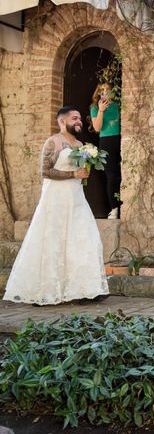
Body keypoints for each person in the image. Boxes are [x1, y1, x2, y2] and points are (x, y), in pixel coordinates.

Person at [3, 106, 109, 305]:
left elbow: (78, 171)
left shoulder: (79, 144)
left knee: (85, 238)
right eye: (75, 118)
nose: (79, 122)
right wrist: (73, 174)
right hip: (56, 199)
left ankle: (87, 289)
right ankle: (46, 290)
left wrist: (83, 173)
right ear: (62, 121)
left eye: (79, 119)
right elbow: (45, 171)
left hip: (77, 199)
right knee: (53, 240)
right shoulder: (53, 142)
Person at [90, 82, 121, 220]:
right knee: (111, 176)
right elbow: (97, 128)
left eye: (107, 89)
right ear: (98, 93)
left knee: (121, 174)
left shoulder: (118, 105)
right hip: (106, 142)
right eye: (102, 90)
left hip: (120, 139)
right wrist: (101, 110)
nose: (105, 92)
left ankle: (123, 205)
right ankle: (114, 209)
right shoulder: (95, 107)